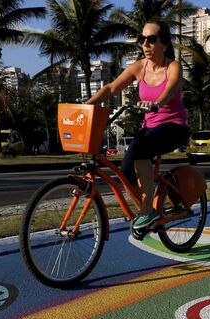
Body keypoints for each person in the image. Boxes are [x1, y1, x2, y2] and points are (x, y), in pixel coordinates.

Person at [85, 19, 190, 230]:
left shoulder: (173, 66)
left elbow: (170, 89)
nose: (145, 44)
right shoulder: (139, 67)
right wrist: (86, 105)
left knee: (140, 148)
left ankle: (146, 212)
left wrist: (156, 104)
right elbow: (112, 88)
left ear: (164, 43)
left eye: (151, 39)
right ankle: (147, 216)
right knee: (125, 173)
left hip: (175, 126)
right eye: (142, 39)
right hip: (150, 129)